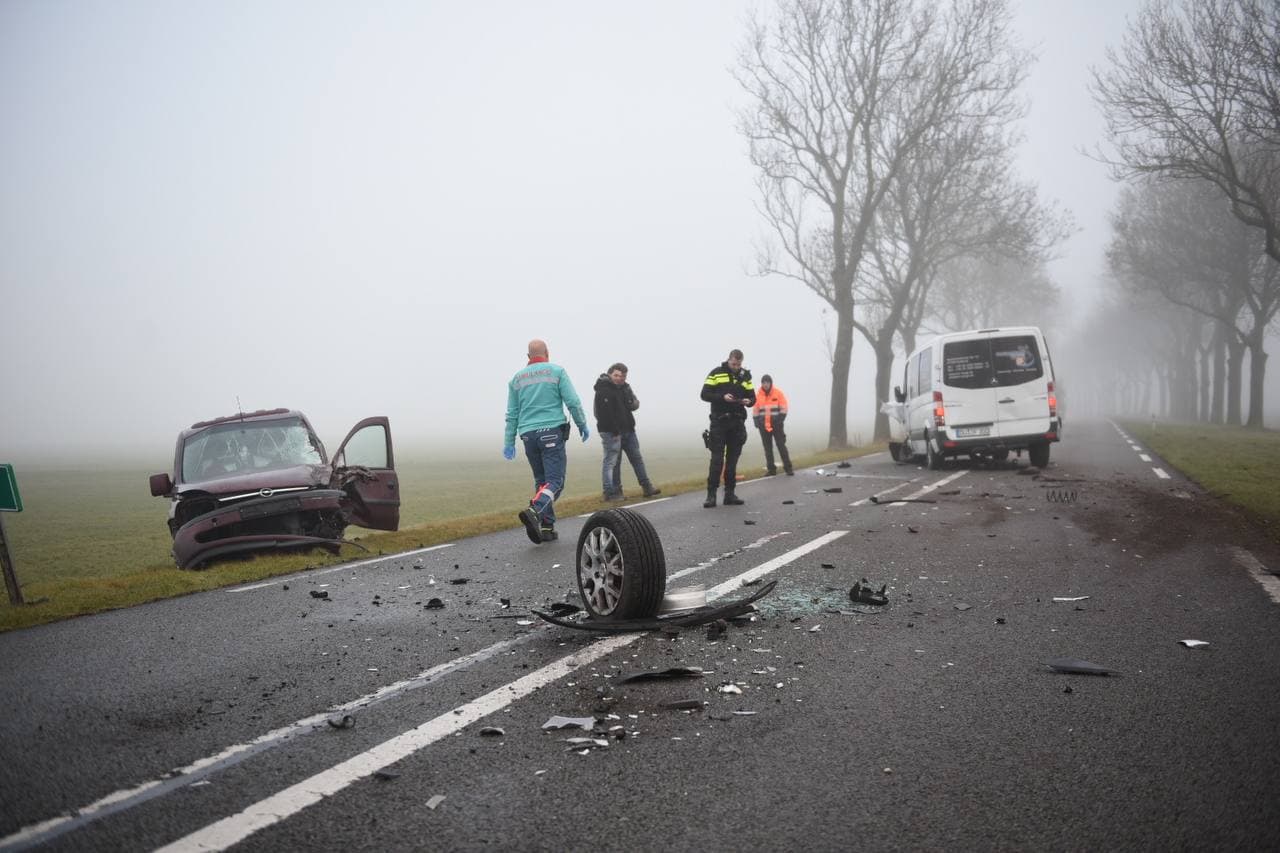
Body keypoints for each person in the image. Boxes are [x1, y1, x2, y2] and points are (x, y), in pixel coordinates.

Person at [503, 339, 589, 544]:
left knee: (542, 481)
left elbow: (512, 414)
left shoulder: (516, 379)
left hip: (528, 436)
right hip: (551, 432)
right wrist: (581, 424)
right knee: (555, 481)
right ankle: (535, 509)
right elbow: (573, 402)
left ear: (528, 357)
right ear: (547, 353)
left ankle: (547, 526)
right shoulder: (557, 372)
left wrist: (509, 441)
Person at [593, 363, 661, 501]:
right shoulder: (603, 389)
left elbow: (633, 404)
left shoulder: (624, 388)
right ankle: (612, 493)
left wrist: (633, 401)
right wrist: (614, 430)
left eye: (623, 376)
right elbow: (601, 414)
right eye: (616, 375)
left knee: (637, 459)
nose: (620, 378)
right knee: (613, 463)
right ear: (610, 374)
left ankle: (647, 487)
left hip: (628, 430)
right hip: (613, 433)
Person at [699, 348, 755, 508]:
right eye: (733, 363)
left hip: (737, 423)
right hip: (719, 422)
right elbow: (704, 394)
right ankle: (711, 495)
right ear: (728, 360)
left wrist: (748, 401)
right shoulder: (716, 373)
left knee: (732, 461)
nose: (736, 367)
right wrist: (722, 397)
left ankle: (729, 494)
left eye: (738, 364)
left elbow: (753, 397)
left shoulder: (745, 376)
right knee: (717, 460)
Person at [752, 374, 794, 476]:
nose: (765, 384)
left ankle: (788, 468)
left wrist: (780, 420)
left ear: (771, 383)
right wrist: (756, 422)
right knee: (767, 448)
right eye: (763, 382)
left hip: (777, 425)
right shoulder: (758, 395)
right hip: (763, 426)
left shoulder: (778, 393)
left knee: (781, 446)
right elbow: (755, 410)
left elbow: (784, 407)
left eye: (767, 382)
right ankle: (771, 470)